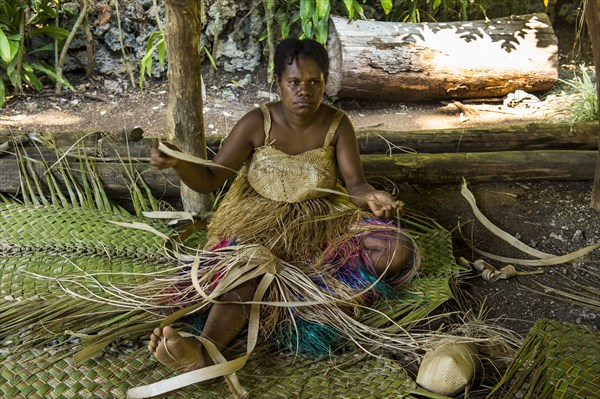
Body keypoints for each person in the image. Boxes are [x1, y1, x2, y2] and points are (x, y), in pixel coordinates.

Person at [147, 38, 420, 378]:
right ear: (277, 83)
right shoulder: (256, 123)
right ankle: (205, 352)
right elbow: (209, 179)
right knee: (248, 272)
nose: (304, 91)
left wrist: (373, 198)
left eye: (314, 82)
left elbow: (356, 186)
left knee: (395, 249)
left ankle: (308, 298)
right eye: (294, 83)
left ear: (325, 83)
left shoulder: (337, 124)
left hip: (322, 222)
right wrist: (176, 162)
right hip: (257, 227)